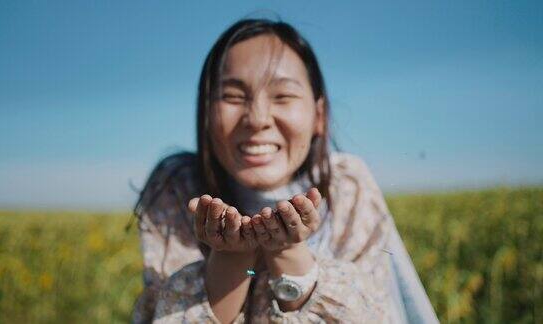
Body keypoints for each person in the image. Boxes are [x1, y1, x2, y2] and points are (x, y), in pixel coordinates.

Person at [132, 18, 439, 324]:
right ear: (205, 113)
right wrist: (231, 257)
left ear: (318, 116)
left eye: (283, 96)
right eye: (233, 96)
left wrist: (288, 254)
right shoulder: (178, 185)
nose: (257, 119)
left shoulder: (346, 184)